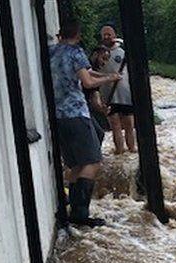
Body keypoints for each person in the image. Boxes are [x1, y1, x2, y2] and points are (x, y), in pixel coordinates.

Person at [50, 18, 121, 227]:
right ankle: (81, 213)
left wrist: (106, 74)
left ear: (60, 35)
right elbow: (87, 81)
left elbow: (86, 72)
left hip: (58, 115)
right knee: (93, 162)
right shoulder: (76, 52)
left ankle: (72, 207)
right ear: (78, 36)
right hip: (76, 113)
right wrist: (108, 80)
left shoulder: (51, 52)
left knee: (76, 163)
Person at [99, 24, 136, 154]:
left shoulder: (123, 51)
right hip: (108, 94)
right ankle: (119, 152)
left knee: (129, 125)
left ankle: (132, 150)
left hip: (125, 93)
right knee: (114, 125)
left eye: (109, 33)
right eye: (104, 34)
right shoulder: (98, 53)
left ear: (115, 35)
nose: (107, 36)